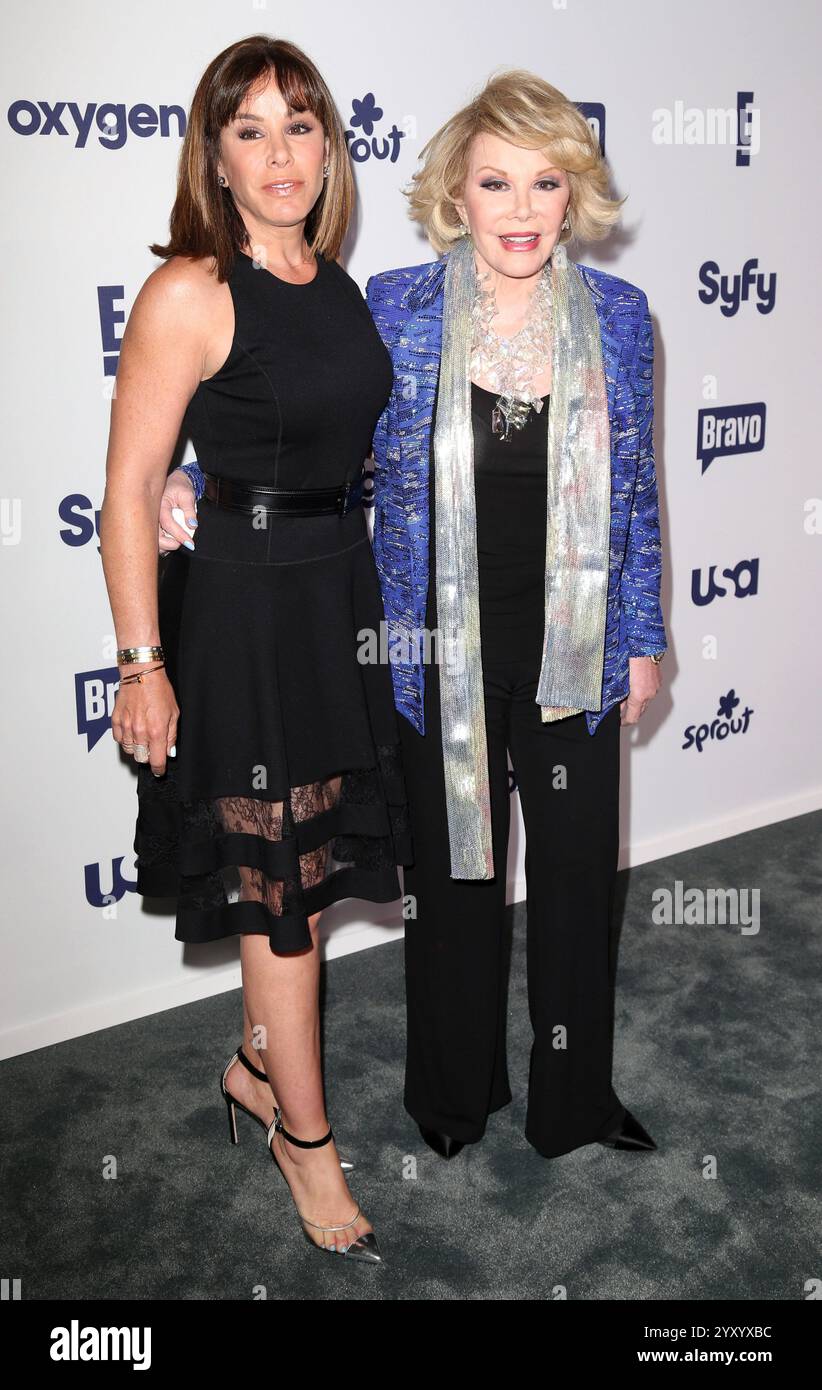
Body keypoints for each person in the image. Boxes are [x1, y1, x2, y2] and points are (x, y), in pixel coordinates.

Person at [161, 69, 668, 1165]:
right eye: (497, 182)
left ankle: (575, 1100)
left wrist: (643, 633)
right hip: (434, 654)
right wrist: (194, 481)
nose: (522, 209)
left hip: (572, 652)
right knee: (453, 887)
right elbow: (315, 436)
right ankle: (453, 1093)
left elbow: (634, 492)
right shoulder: (393, 307)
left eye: (545, 182)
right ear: (458, 194)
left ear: (574, 193)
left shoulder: (622, 321)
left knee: (579, 889)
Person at [99, 34, 414, 1264]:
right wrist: (141, 661)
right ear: (215, 158)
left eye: (301, 125)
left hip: (337, 599)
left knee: (305, 870)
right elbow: (130, 489)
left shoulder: (333, 282)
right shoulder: (192, 289)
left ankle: (251, 1063)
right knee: (278, 888)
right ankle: (306, 1136)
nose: (281, 152)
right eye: (252, 130)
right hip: (239, 615)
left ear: (330, 146)